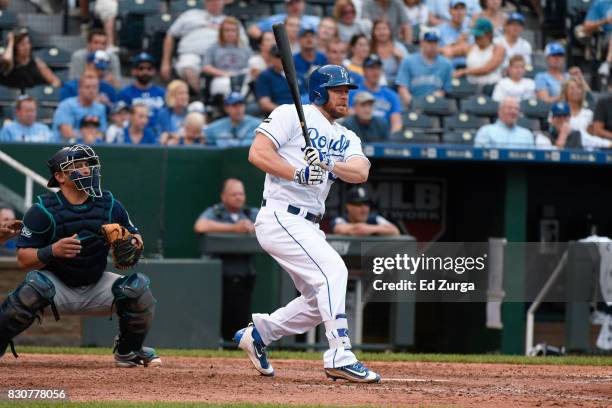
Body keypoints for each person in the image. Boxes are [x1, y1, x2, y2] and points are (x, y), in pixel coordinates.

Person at [236, 64, 380, 383]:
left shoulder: (347, 135)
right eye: (338, 89)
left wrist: (327, 162)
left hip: (310, 224)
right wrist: (297, 171)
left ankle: (260, 333)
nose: (345, 95)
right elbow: (257, 153)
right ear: (319, 91)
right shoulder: (291, 113)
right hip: (280, 214)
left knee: (320, 302)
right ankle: (339, 353)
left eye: (347, 90)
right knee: (334, 271)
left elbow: (360, 172)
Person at [0, 144, 161, 367]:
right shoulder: (42, 210)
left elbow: (136, 238)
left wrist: (131, 243)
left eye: (87, 165)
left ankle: (128, 351)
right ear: (60, 176)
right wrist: (52, 250)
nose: (86, 170)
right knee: (33, 287)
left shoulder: (110, 204)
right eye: (77, 166)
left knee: (138, 289)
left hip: (96, 282)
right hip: (56, 285)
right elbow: (23, 259)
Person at [194, 178, 259, 342]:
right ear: (224, 196)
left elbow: (271, 224)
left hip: (245, 275)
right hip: (219, 277)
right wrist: (234, 229)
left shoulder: (251, 213)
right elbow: (200, 226)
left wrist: (253, 227)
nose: (238, 197)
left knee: (242, 316)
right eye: (234, 194)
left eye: (241, 193)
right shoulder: (216, 212)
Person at [161, 0, 248, 94]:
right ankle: (201, 96)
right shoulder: (190, 15)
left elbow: (243, 44)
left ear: (224, 2)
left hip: (221, 56)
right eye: (209, 1)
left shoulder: (230, 21)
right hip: (192, 53)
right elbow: (170, 34)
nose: (213, 3)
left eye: (216, 1)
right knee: (187, 66)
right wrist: (165, 62)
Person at [396, 29, 453, 107]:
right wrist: (413, 104)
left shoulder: (446, 64)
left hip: (437, 107)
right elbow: (402, 88)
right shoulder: (408, 61)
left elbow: (447, 89)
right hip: (414, 105)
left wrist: (438, 96)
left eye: (435, 42)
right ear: (422, 43)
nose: (432, 46)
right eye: (429, 42)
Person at [349, 54, 402, 133]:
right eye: (371, 68)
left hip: (383, 138)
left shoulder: (391, 95)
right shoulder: (352, 92)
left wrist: (390, 141)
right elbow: (349, 115)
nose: (375, 72)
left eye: (378, 68)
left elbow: (397, 123)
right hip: (359, 135)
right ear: (364, 70)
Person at [202, 17, 253, 98]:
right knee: (225, 84)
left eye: (233, 30)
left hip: (241, 79)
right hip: (222, 78)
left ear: (238, 32)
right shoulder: (213, 48)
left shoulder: (245, 48)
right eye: (227, 30)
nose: (230, 33)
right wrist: (225, 74)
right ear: (221, 32)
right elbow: (206, 67)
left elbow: (252, 66)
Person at [118, 53, 166, 134]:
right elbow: (122, 118)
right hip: (134, 135)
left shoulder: (162, 93)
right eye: (141, 68)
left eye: (149, 68)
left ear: (154, 71)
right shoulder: (125, 94)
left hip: (159, 134)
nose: (145, 71)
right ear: (134, 71)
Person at [52, 73, 107, 141]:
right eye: (87, 87)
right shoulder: (66, 105)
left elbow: (101, 133)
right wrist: (86, 137)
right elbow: (66, 133)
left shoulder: (100, 108)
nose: (91, 91)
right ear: (79, 89)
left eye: (94, 87)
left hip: (90, 149)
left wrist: (93, 138)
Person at [454, 18, 505, 89]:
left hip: (492, 87)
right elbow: (448, 51)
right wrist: (457, 42)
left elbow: (487, 69)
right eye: (475, 36)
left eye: (479, 36)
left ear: (489, 35)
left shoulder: (498, 48)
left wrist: (463, 71)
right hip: (471, 87)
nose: (476, 38)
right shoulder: (470, 48)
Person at [255, 45, 307, 114]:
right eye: (278, 56)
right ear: (271, 58)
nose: (282, 59)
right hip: (279, 114)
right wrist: (286, 112)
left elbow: (307, 97)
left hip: (302, 112)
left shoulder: (298, 75)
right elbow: (265, 103)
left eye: (285, 56)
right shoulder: (265, 76)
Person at [332, 186, 400, 236]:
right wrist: (376, 229)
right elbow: (339, 229)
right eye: (359, 204)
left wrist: (370, 229)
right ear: (348, 206)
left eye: (366, 203)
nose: (364, 208)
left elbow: (395, 231)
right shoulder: (340, 219)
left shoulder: (375, 218)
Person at [247, 0, 320, 41]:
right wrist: (268, 39)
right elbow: (252, 29)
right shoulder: (275, 19)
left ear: (303, 3)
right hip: (281, 52)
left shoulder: (315, 21)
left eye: (297, 2)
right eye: (291, 3)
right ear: (285, 6)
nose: (295, 6)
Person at [369, 19, 409, 85]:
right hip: (375, 83)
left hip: (398, 83)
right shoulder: (369, 49)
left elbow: (410, 67)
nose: (382, 32)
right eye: (378, 29)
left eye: (384, 29)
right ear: (373, 32)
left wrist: (401, 58)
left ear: (390, 31)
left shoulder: (398, 47)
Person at [438, 0, 472, 68]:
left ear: (466, 11)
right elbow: (436, 50)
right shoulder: (440, 29)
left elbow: (471, 49)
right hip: (449, 68)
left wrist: (450, 50)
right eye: (456, 8)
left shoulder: (469, 29)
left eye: (462, 9)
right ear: (450, 11)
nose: (459, 12)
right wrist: (456, 43)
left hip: (468, 68)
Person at [583, 0, 612, 77]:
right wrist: (605, 21)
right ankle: (607, 63)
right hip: (606, 37)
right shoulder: (600, 3)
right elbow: (586, 27)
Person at [157, 80, 189, 144]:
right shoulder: (163, 114)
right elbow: (163, 136)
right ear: (172, 96)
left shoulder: (190, 113)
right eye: (181, 93)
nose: (185, 96)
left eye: (186, 93)